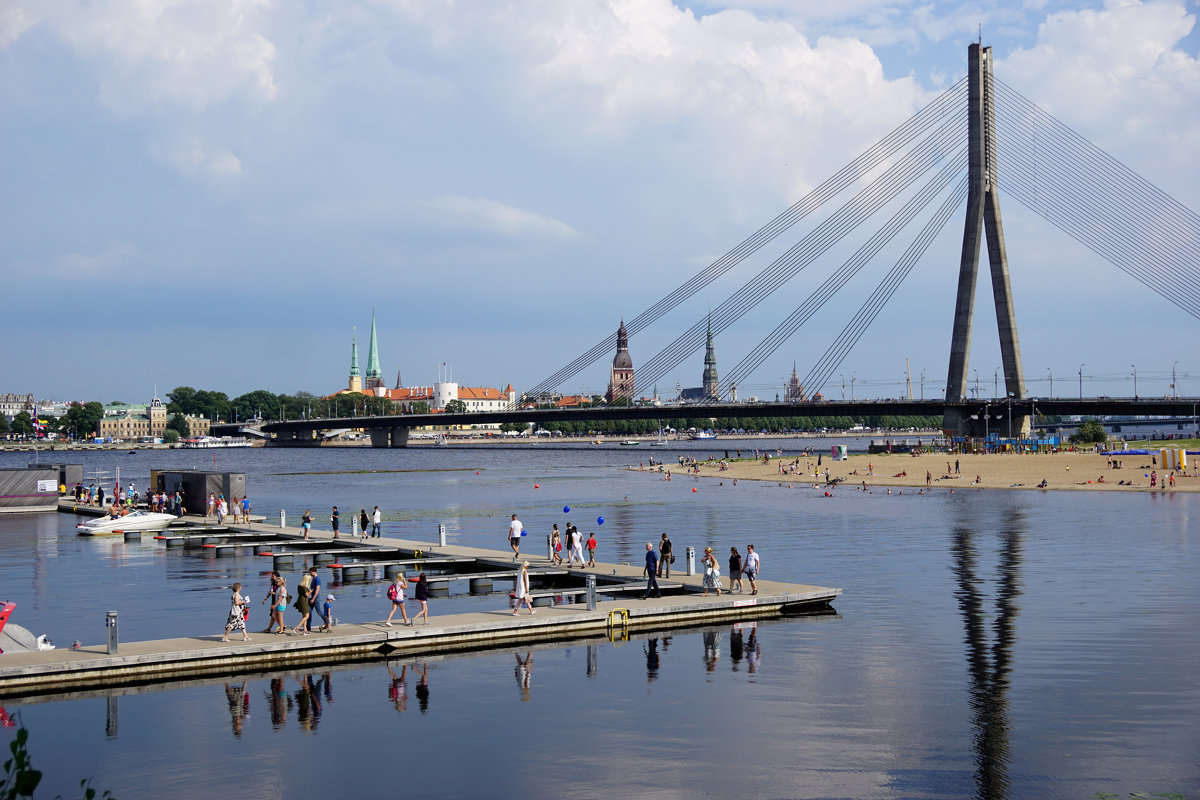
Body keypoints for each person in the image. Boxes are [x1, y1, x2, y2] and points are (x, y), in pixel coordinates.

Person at [293, 568, 313, 635]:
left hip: (299, 599)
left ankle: (305, 630)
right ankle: (297, 628)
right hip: (303, 600)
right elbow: (307, 595)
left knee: (304, 615)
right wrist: (310, 591)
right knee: (307, 615)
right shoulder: (304, 587)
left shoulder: (299, 585)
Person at [306, 566, 322, 631]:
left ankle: (326, 622)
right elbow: (312, 589)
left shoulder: (317, 579)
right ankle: (308, 627)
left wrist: (313, 598)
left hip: (315, 598)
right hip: (311, 598)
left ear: (314, 572)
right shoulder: (314, 579)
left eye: (310, 572)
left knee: (319, 612)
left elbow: (317, 589)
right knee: (308, 612)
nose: (310, 574)